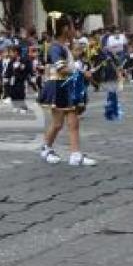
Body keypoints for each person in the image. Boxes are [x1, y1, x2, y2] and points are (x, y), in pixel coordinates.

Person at [38, 14, 96, 167]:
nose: (73, 30)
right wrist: (82, 73)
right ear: (65, 29)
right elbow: (61, 68)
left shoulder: (62, 46)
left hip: (65, 85)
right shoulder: (56, 47)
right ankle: (47, 148)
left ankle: (74, 154)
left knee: (72, 121)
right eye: (71, 26)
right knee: (58, 123)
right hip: (58, 86)